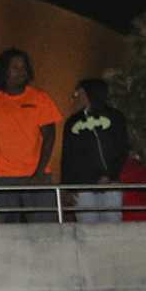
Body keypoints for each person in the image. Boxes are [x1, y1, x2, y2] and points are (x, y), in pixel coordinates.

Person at [0, 48, 61, 223]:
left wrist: (39, 172)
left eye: (24, 67)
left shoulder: (40, 98)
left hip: (37, 177)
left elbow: (49, 137)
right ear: (4, 71)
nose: (21, 71)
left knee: (45, 232)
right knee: (9, 233)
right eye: (15, 67)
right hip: (5, 179)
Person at [59, 76, 131, 222]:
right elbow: (68, 157)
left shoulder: (115, 117)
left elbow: (122, 149)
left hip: (110, 184)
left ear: (87, 94)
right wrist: (68, 187)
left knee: (111, 226)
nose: (76, 98)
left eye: (78, 94)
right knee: (88, 228)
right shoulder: (72, 122)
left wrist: (109, 175)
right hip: (83, 186)